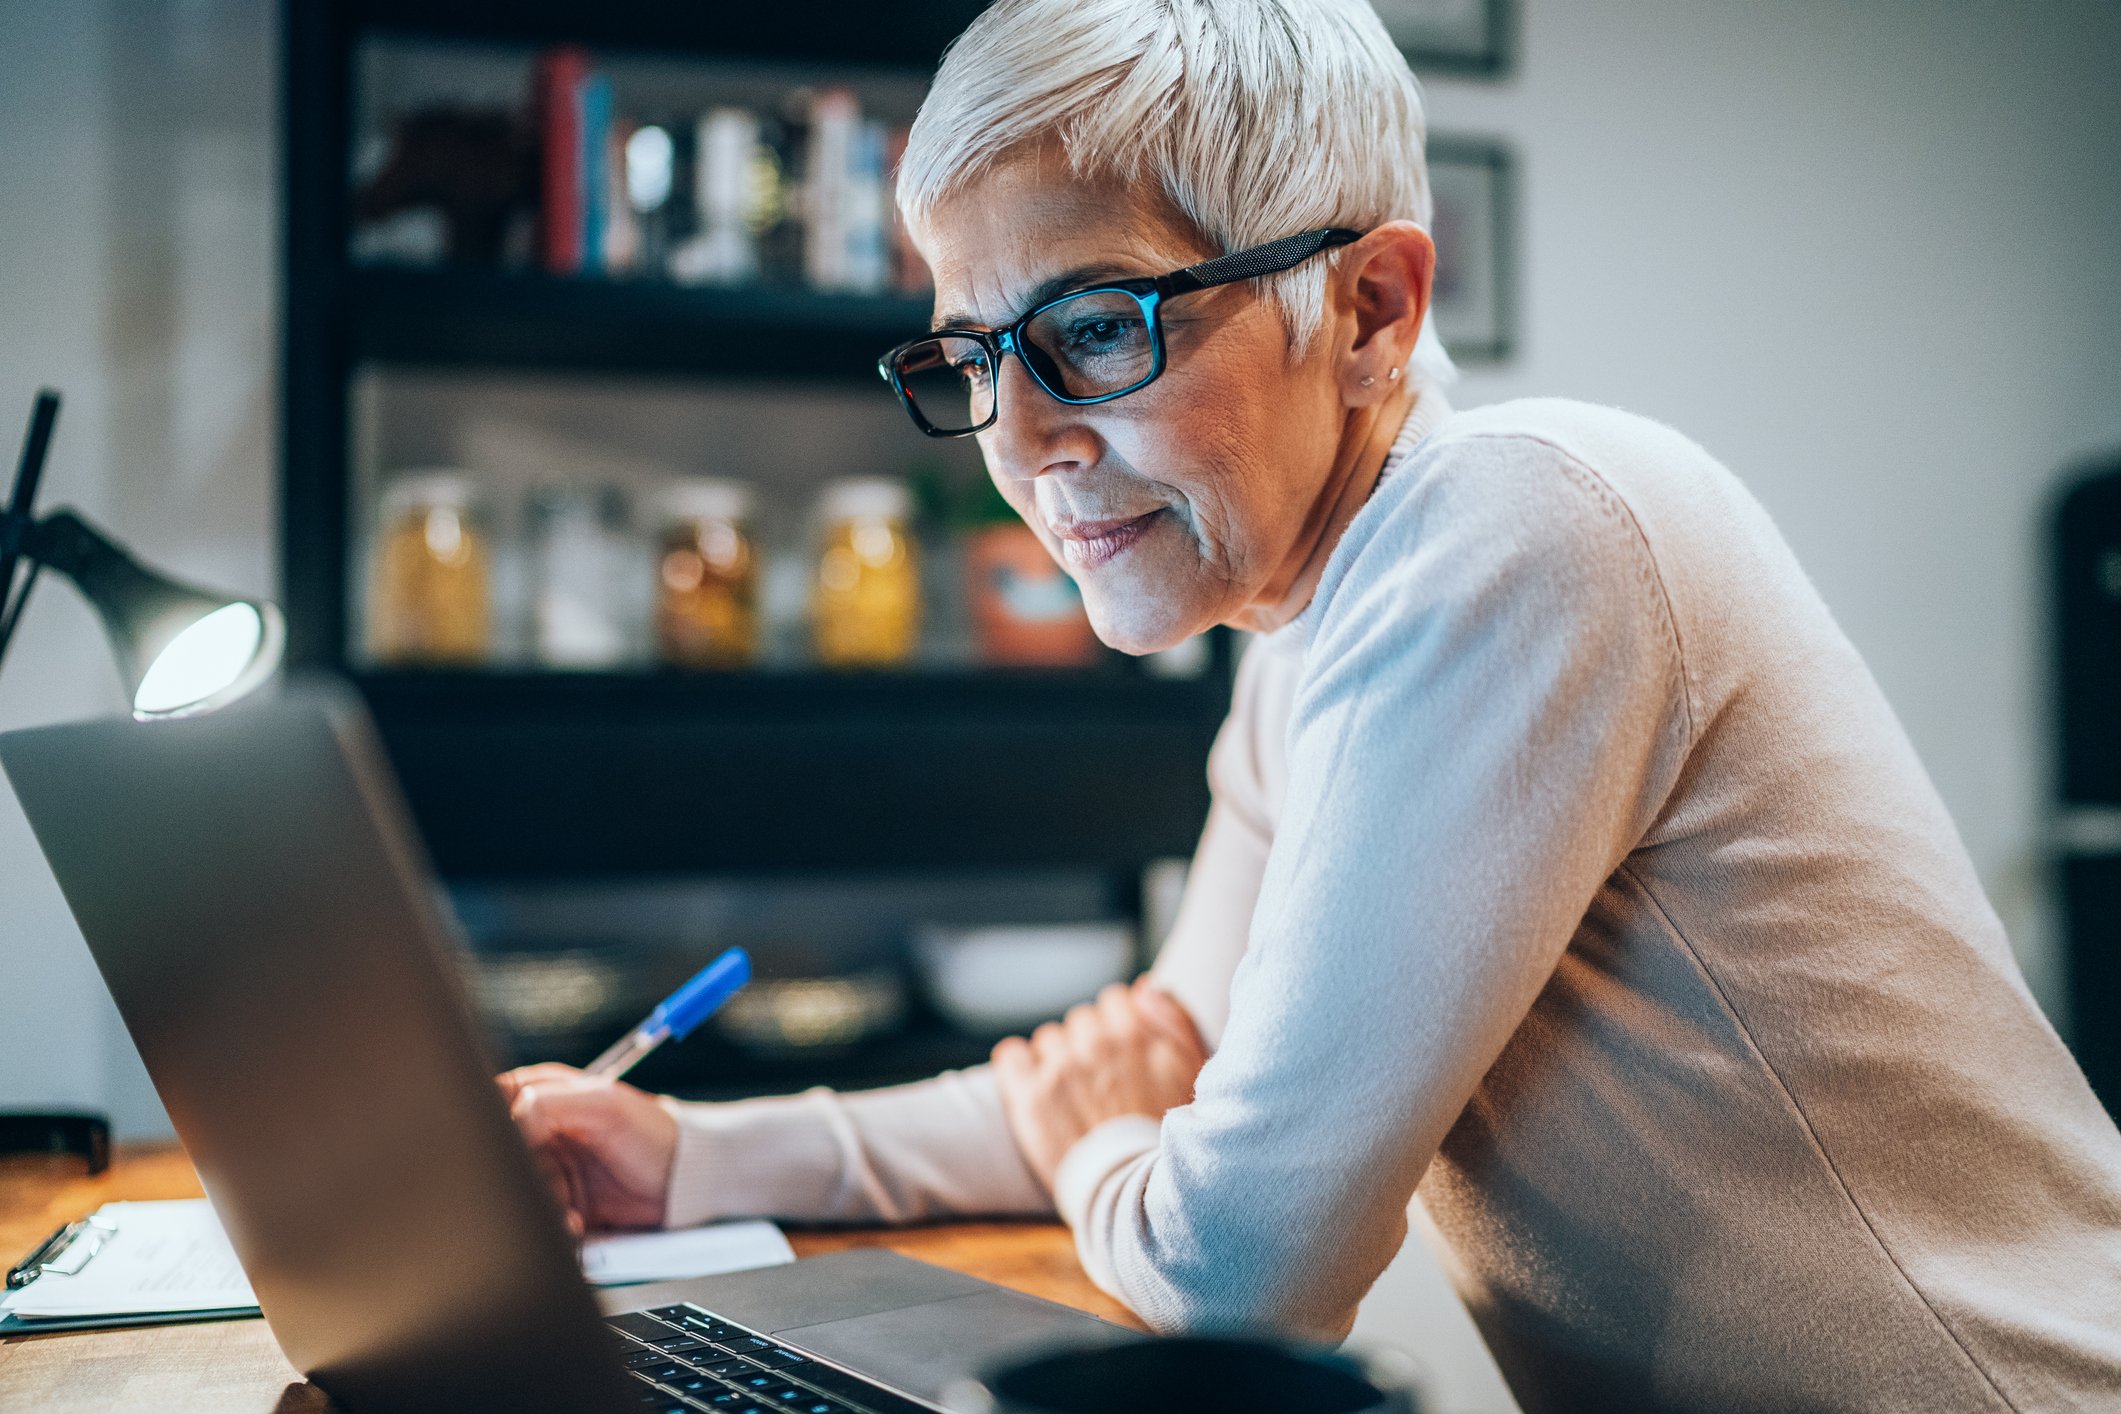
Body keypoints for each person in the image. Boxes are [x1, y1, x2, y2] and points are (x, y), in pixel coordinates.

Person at [499, 2, 2121, 1409]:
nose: (1023, 441)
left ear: (1369, 311)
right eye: (975, 356)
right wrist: (693, 1158)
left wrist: (1104, 1144)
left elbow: (1234, 1273)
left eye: (1088, 328)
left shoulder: (1516, 531)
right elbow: (1165, 1066)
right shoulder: (1306, 633)